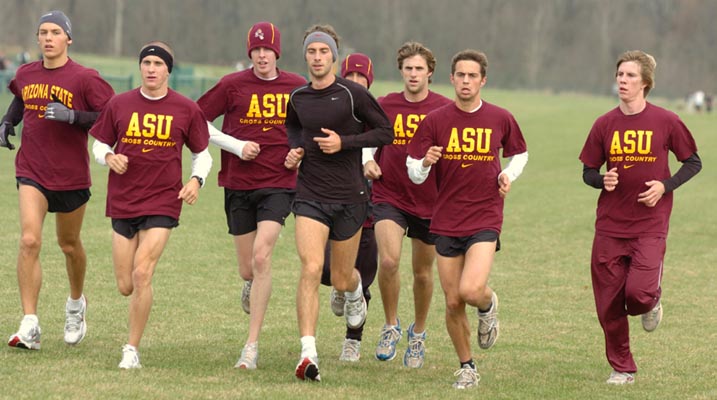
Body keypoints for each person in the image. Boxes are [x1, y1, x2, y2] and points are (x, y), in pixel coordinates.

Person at [406, 49, 528, 389]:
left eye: (472, 76)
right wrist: (426, 163)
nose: (465, 81)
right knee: (453, 300)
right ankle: (467, 366)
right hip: (445, 219)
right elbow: (413, 171)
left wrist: (508, 175)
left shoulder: (500, 117)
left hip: (485, 214)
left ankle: (488, 305)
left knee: (471, 290)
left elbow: (520, 152)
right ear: (451, 78)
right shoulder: (435, 120)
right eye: (460, 75)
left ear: (482, 80)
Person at [579, 50, 701, 385]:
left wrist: (665, 186)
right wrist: (601, 179)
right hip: (609, 225)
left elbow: (693, 162)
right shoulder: (604, 124)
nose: (622, 80)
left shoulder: (666, 121)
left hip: (649, 224)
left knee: (638, 295)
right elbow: (588, 171)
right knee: (608, 303)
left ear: (645, 83)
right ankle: (622, 367)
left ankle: (652, 301)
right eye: (620, 74)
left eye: (630, 75)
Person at [89, 41, 212, 369]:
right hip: (123, 199)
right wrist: (109, 157)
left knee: (143, 273)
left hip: (163, 200)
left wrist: (195, 181)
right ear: (140, 68)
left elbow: (203, 153)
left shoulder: (186, 109)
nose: (152, 69)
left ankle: (131, 349)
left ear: (168, 70)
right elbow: (99, 144)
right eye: (147, 63)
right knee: (125, 285)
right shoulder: (120, 104)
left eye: (158, 64)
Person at [284, 24, 393, 381]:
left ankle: (356, 292)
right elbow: (295, 129)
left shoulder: (352, 94)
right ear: (306, 56)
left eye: (324, 52)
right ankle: (307, 353)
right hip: (311, 195)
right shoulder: (298, 97)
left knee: (343, 277)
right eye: (312, 52)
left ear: (335, 57)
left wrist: (345, 143)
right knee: (312, 268)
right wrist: (295, 151)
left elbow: (385, 132)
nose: (317, 58)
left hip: (350, 196)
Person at [2, 10, 115, 350]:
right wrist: (7, 121)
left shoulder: (85, 78)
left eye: (55, 32)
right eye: (42, 32)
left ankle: (76, 305)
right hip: (31, 169)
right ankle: (30, 323)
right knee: (29, 241)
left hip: (70, 175)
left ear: (68, 38)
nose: (48, 38)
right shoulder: (25, 73)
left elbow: (111, 116)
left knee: (68, 245)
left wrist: (74, 117)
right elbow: (21, 99)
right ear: (37, 38)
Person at [196, 21, 306, 370]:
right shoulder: (232, 85)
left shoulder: (297, 87)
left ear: (277, 53)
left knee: (262, 257)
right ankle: (250, 283)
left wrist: (298, 152)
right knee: (247, 268)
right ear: (250, 53)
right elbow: (195, 121)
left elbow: (312, 129)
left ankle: (251, 346)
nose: (262, 55)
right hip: (238, 184)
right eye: (256, 50)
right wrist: (235, 145)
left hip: (279, 182)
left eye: (267, 50)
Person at [363, 41, 452, 368]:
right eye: (408, 68)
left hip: (431, 201)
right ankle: (390, 325)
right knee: (388, 261)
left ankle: (418, 333)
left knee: (422, 272)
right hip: (390, 194)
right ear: (400, 71)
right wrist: (366, 161)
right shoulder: (385, 104)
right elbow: (365, 137)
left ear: (430, 72)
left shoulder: (445, 108)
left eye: (419, 69)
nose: (413, 74)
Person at [320, 53, 379, 362]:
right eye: (351, 78)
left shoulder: (376, 114)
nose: (356, 84)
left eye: (362, 79)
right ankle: (340, 285)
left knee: (363, 278)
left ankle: (353, 340)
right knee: (325, 270)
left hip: (368, 207)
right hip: (332, 203)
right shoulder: (328, 111)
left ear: (369, 83)